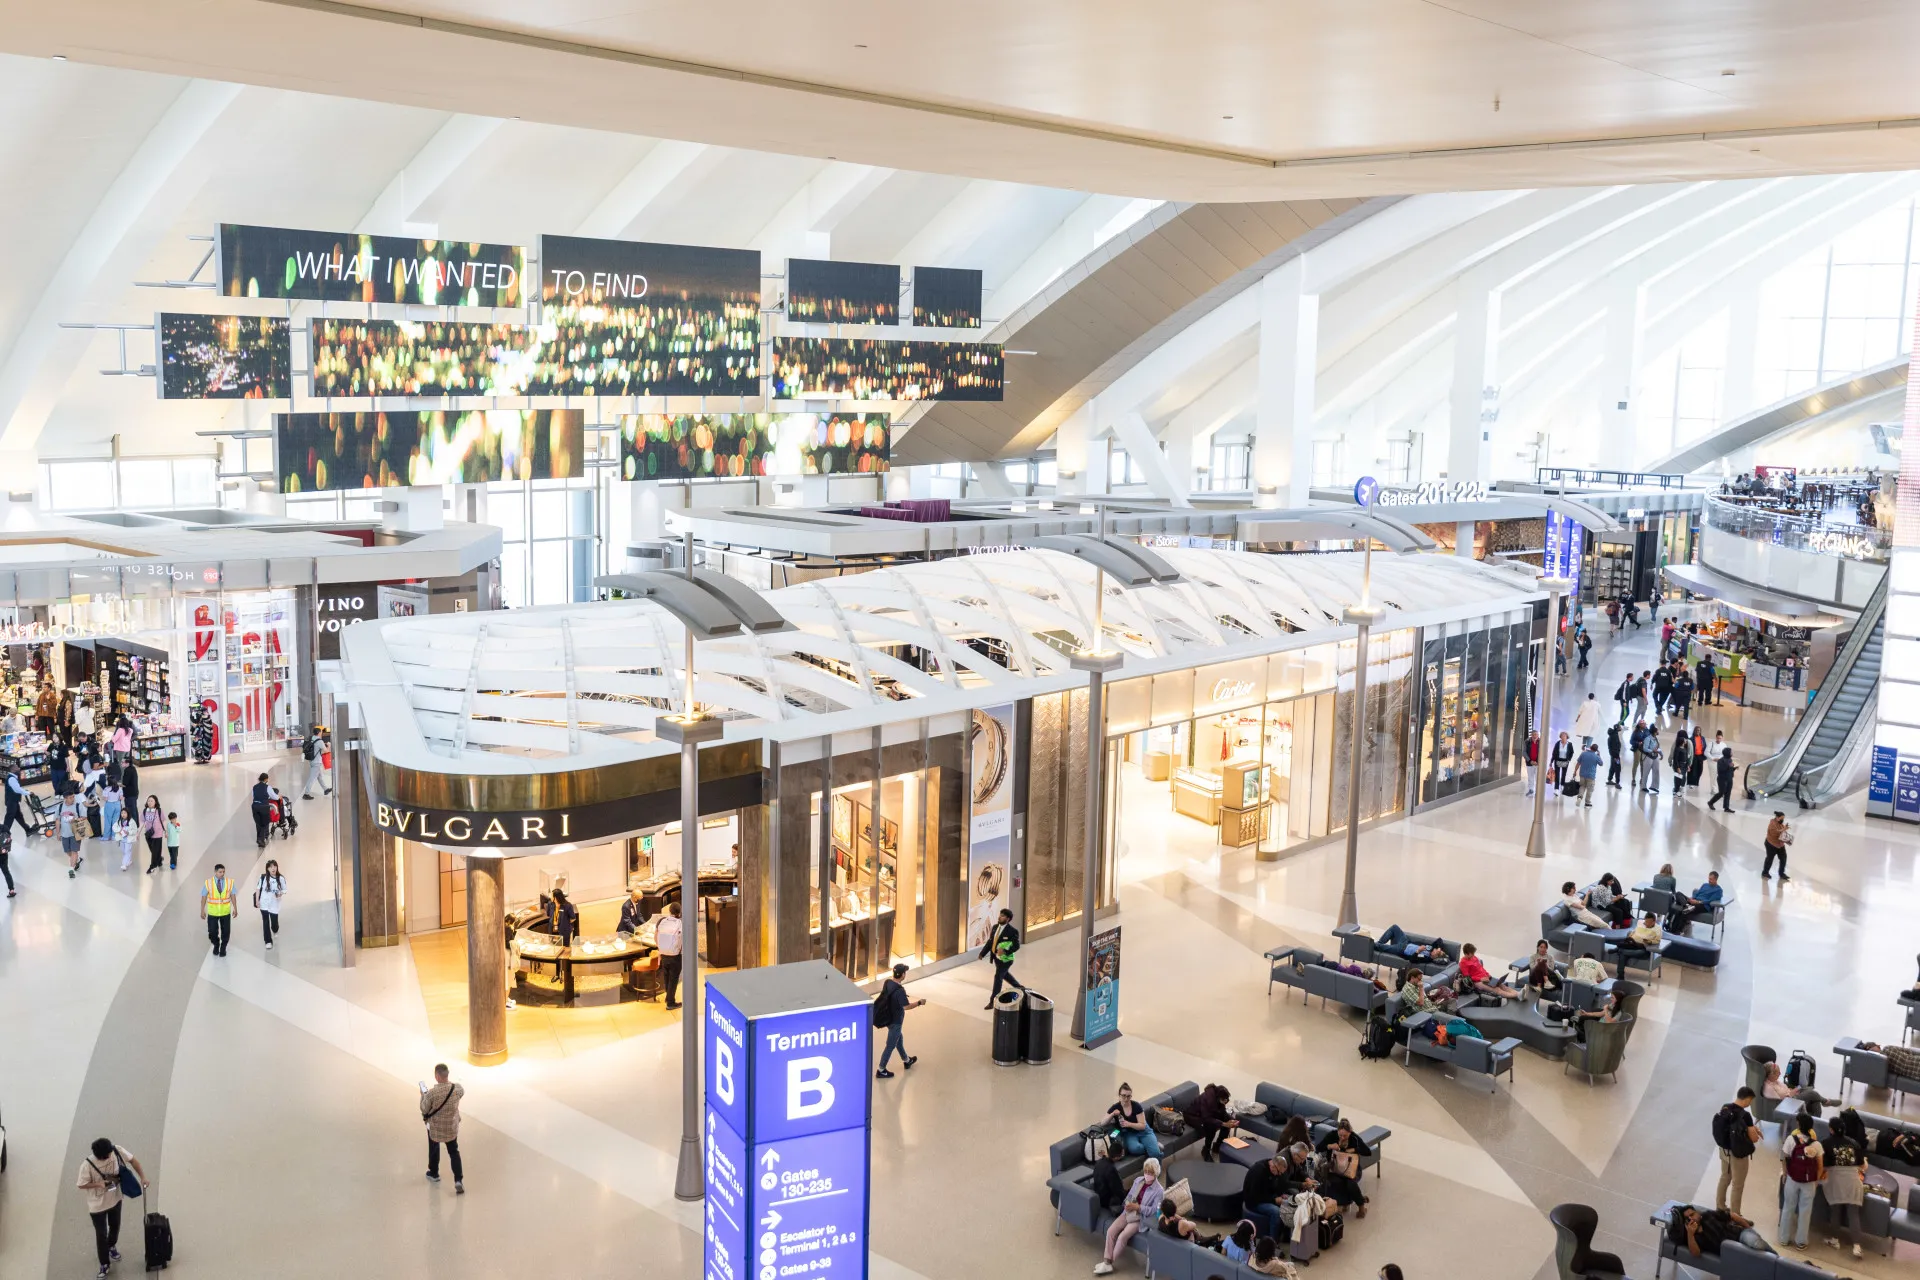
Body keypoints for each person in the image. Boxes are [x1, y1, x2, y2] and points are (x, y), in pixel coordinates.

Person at [76, 1136, 148, 1278]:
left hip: (115, 1199)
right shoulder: (87, 1165)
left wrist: (143, 1177)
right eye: (106, 1156)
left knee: (115, 1226)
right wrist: (98, 1184)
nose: (109, 1157)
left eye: (110, 1154)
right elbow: (81, 1184)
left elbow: (133, 1161)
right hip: (97, 1206)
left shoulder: (116, 1150)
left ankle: (111, 1246)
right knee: (101, 1234)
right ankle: (104, 1263)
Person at [1094, 1156, 1163, 1274]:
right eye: (1146, 1171)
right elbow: (1129, 1196)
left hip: (1140, 1218)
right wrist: (1126, 1204)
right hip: (1128, 1212)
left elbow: (1154, 1210)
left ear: (1156, 1173)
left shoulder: (1159, 1191)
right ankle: (1106, 1261)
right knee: (1111, 1231)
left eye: (1150, 1172)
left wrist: (1138, 1207)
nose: (1147, 1174)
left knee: (1122, 1237)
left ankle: (1109, 1263)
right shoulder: (1138, 1180)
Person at [1779, 1110, 1824, 1250]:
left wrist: (1785, 1174)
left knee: (1788, 1207)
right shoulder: (1816, 1145)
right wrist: (1816, 1181)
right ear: (1811, 1128)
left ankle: (1784, 1238)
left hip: (1792, 1179)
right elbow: (1820, 1166)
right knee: (1805, 1211)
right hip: (1809, 1182)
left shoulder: (1791, 1140)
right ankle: (1801, 1241)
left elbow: (1784, 1158)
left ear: (1798, 1125)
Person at [1712, 1086, 1760, 1215]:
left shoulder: (1725, 1107)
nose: (1750, 1103)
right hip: (1738, 1154)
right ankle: (1735, 1215)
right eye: (1750, 1100)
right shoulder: (1746, 1115)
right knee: (1737, 1185)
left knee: (1724, 1177)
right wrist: (1754, 1131)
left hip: (1724, 1150)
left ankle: (1720, 1206)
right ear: (1747, 1099)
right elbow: (1754, 1138)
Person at [1670, 1205, 1774, 1261]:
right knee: (1753, 1259)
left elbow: (1732, 1216)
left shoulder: (1708, 1215)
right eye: (1688, 1218)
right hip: (1730, 1251)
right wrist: (1690, 1234)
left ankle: (1777, 1261)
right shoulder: (1694, 1236)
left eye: (1692, 1214)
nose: (1691, 1218)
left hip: (1740, 1235)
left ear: (1698, 1213)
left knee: (1756, 1244)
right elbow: (1695, 1253)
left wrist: (1749, 1229)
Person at [873, 962, 923, 1078]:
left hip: (888, 1018)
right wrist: (919, 1002)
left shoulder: (888, 983)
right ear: (903, 975)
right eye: (905, 972)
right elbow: (906, 1007)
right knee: (890, 1045)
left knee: (899, 1040)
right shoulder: (900, 991)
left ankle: (907, 1060)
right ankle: (881, 1069)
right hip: (895, 1022)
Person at [421, 1063, 465, 1193]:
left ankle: (434, 1173)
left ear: (437, 1076)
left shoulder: (431, 1093)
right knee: (453, 1151)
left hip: (436, 1128)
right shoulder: (457, 1088)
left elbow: (424, 1109)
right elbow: (461, 1093)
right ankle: (458, 1180)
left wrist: (423, 1095)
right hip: (451, 1127)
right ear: (447, 1074)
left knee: (434, 1147)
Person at [1316, 1118, 1371, 1218]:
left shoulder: (1354, 1138)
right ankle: (1347, 1202)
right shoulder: (1332, 1135)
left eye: (1345, 1135)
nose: (1342, 1137)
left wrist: (1354, 1149)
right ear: (1337, 1131)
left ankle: (1361, 1206)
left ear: (1350, 1132)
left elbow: (1368, 1152)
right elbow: (1318, 1148)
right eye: (1340, 1135)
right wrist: (1329, 1146)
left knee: (1350, 1183)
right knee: (1334, 1181)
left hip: (1351, 1169)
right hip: (1335, 1167)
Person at [981, 907, 1024, 1007]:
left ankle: (993, 1001)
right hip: (996, 958)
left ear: (1008, 919)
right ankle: (1019, 987)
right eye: (1000, 915)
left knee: (998, 977)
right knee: (1004, 974)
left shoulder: (1012, 931)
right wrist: (982, 953)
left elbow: (1016, 946)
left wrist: (1005, 951)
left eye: (1003, 916)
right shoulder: (995, 927)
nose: (999, 917)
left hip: (1006, 960)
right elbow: (990, 942)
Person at [1241, 1152, 1289, 1241]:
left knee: (1288, 1202)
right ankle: (1272, 1241)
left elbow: (1272, 1187)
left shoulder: (1273, 1169)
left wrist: (1280, 1194)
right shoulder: (1259, 1172)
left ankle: (1285, 1235)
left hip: (1265, 1197)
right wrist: (1274, 1200)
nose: (1279, 1175)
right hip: (1254, 1202)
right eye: (1279, 1172)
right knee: (1275, 1212)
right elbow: (1255, 1196)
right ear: (1273, 1166)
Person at [1184, 1083, 1239, 1161]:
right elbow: (1207, 1119)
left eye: (1227, 1100)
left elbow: (1222, 1112)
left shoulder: (1218, 1098)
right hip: (1193, 1116)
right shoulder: (1206, 1100)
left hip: (1204, 1115)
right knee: (1211, 1127)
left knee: (1226, 1121)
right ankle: (1206, 1150)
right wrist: (1223, 1124)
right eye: (1224, 1101)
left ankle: (1218, 1146)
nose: (1225, 1102)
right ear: (1219, 1098)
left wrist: (1231, 1119)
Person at [1108, 1082, 1161, 1158]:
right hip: (1130, 1134)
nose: (1126, 1099)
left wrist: (1128, 1124)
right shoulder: (1115, 1107)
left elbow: (1142, 1126)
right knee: (1135, 1149)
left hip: (1144, 1131)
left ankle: (1153, 1148)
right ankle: (1153, 1146)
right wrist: (1112, 1114)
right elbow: (1103, 1122)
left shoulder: (1136, 1106)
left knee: (1155, 1153)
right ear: (1119, 1095)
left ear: (1131, 1096)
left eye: (1128, 1096)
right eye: (1123, 1095)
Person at [201, 862, 236, 956]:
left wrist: (235, 908)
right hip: (213, 912)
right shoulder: (208, 883)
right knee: (212, 932)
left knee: (226, 932)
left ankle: (223, 947)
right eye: (220, 872)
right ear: (215, 872)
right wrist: (202, 910)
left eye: (223, 872)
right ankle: (216, 944)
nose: (222, 874)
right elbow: (204, 896)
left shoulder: (229, 882)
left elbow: (233, 895)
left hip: (225, 912)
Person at [1616, 912, 1662, 979]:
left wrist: (1650, 941)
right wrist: (1630, 937)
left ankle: (1619, 950)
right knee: (1623, 953)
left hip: (1644, 949)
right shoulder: (1640, 923)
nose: (1647, 924)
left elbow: (1657, 941)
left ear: (1654, 922)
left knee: (1623, 953)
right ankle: (1620, 976)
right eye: (1646, 921)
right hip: (1632, 945)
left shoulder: (1658, 929)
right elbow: (1633, 932)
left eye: (1649, 922)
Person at [656, 900, 684, 1010]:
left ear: (669, 911)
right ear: (679, 912)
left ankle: (668, 997)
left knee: (666, 977)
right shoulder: (680, 923)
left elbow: (656, 937)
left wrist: (660, 948)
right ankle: (670, 1003)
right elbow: (681, 939)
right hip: (675, 955)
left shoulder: (662, 921)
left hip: (663, 954)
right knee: (673, 979)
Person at [256, 857, 286, 950]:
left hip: (274, 904)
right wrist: (257, 900)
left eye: (274, 866)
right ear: (267, 869)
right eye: (271, 867)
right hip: (264, 903)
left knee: (274, 922)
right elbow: (258, 889)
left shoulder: (281, 878)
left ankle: (275, 929)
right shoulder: (263, 877)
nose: (273, 868)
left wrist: (280, 894)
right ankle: (268, 941)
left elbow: (284, 889)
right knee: (265, 921)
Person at [58, 787, 85, 878]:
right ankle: (77, 860)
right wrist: (58, 833)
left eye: (73, 797)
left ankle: (71, 869)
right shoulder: (60, 807)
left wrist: (76, 819)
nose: (72, 799)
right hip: (64, 834)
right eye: (70, 797)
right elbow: (57, 820)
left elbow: (84, 817)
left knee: (74, 851)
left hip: (75, 833)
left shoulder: (78, 805)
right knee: (68, 851)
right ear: (65, 798)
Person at [1761, 811, 1793, 881]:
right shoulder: (1772, 824)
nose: (1783, 820)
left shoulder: (1780, 824)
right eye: (1781, 818)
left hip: (1780, 845)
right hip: (1771, 844)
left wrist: (1785, 830)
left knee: (1783, 858)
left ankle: (1781, 873)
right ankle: (1765, 873)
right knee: (1769, 859)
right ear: (1777, 817)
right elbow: (1775, 833)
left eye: (1783, 818)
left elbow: (1781, 832)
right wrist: (1783, 829)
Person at [2, 766, 31, 841]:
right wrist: (28, 793)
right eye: (17, 768)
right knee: (9, 818)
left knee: (19, 816)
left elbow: (17, 788)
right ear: (13, 770)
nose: (19, 769)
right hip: (11, 802)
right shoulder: (11, 778)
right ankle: (3, 834)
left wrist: (25, 791)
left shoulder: (12, 777)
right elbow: (17, 789)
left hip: (13, 801)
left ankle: (27, 830)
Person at [301, 725, 331, 799]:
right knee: (312, 778)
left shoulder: (312, 738)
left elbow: (317, 750)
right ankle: (306, 794)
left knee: (319, 777)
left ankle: (325, 789)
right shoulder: (320, 741)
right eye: (321, 732)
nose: (322, 733)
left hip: (312, 760)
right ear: (319, 733)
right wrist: (329, 745)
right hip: (317, 762)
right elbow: (326, 751)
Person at [250, 772, 277, 848]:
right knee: (264, 823)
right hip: (264, 807)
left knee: (258, 823)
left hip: (255, 807)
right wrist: (279, 797)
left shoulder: (254, 787)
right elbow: (274, 797)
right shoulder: (268, 787)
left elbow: (253, 796)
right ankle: (261, 839)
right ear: (266, 779)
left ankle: (260, 839)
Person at [1638, 720, 1665, 793]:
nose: (1658, 731)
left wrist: (1661, 753)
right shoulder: (1648, 739)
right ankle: (1643, 786)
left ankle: (1654, 786)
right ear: (1654, 732)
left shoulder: (1656, 739)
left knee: (1656, 771)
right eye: (1657, 730)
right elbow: (1645, 748)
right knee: (1646, 772)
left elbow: (1657, 748)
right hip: (1648, 757)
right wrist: (1653, 751)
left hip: (1655, 757)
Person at [139, 795, 164, 872]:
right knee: (153, 850)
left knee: (155, 851)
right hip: (148, 834)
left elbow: (163, 821)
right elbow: (142, 822)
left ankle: (153, 866)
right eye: (148, 801)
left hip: (158, 834)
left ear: (155, 802)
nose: (149, 802)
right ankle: (159, 859)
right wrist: (138, 833)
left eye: (151, 801)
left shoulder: (159, 811)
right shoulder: (145, 811)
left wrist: (165, 831)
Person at [1575, 740, 1601, 807]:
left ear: (1590, 747)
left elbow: (1578, 763)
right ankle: (1587, 802)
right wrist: (1599, 755)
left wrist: (1575, 771)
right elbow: (1601, 763)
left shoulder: (1583, 754)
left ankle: (1580, 797)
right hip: (1591, 776)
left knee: (1582, 786)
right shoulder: (1596, 756)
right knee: (1590, 789)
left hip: (1582, 774)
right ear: (1596, 750)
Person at [1669, 727, 1693, 796]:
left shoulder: (1685, 743)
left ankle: (1679, 789)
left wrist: (1688, 765)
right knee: (1678, 777)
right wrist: (1689, 764)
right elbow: (1691, 754)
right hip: (1678, 764)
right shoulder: (1678, 746)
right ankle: (1676, 789)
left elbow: (1672, 753)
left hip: (1684, 764)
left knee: (1682, 777)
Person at [1688, 725, 1708, 789]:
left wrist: (1705, 755)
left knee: (1700, 770)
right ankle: (1691, 783)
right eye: (1696, 730)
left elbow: (1705, 746)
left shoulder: (1702, 738)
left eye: (1699, 730)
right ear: (1694, 731)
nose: (1697, 731)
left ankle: (1696, 782)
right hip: (1694, 756)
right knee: (1693, 770)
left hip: (1700, 756)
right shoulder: (1691, 739)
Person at [1605, 722, 1624, 787]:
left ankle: (1609, 779)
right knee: (1618, 768)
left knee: (1612, 767)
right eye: (1619, 727)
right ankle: (1617, 783)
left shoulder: (1612, 735)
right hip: (1616, 756)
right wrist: (1617, 756)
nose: (1620, 728)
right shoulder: (1615, 736)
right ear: (1617, 728)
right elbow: (1616, 746)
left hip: (1612, 755)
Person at [1523, 731, 1540, 796]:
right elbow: (1524, 752)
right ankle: (1531, 790)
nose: (1535, 736)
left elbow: (1544, 752)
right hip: (1529, 763)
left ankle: (1538, 791)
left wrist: (1537, 761)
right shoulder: (1527, 742)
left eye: (1536, 734)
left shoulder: (1541, 742)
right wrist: (1530, 761)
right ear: (1531, 735)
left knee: (1538, 777)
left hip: (1538, 763)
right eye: (1534, 734)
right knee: (1530, 777)